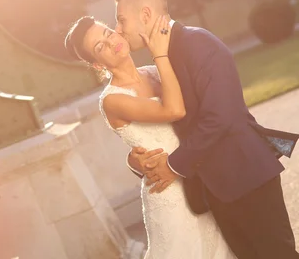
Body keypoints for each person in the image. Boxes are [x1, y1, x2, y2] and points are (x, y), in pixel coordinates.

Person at [114, 0, 297, 258]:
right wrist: (138, 161)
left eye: (121, 20)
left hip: (246, 177)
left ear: (146, 15)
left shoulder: (197, 43)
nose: (119, 30)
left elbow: (220, 117)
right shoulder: (161, 60)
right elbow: (169, 126)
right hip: (217, 190)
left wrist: (173, 165)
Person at [66, 14, 236, 258]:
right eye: (100, 46)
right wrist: (160, 53)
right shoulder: (112, 100)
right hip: (169, 195)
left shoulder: (155, 73)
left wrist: (132, 160)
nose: (112, 41)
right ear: (97, 64)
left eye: (107, 33)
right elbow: (173, 110)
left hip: (198, 179)